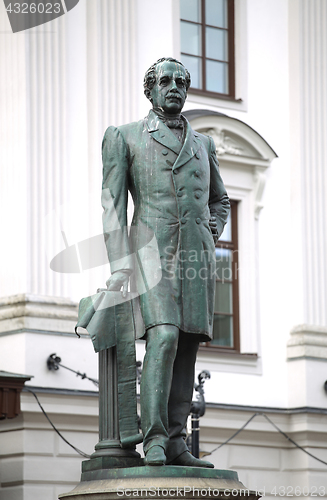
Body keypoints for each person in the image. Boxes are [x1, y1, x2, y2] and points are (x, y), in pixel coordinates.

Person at [102, 57, 230, 467]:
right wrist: (120, 263)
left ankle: (177, 442)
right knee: (165, 337)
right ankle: (154, 438)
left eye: (181, 81)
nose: (174, 86)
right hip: (150, 254)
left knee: (188, 343)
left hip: (196, 257)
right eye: (165, 81)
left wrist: (212, 230)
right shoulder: (125, 137)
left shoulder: (204, 143)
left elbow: (220, 199)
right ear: (151, 90)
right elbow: (112, 205)